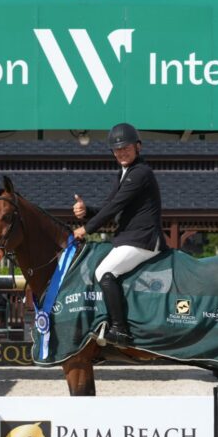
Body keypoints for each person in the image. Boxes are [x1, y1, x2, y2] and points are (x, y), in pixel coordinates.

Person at [72, 123, 166, 346]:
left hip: (143, 239)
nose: (121, 152)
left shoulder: (141, 173)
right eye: (117, 149)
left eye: (126, 148)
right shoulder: (124, 173)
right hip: (129, 237)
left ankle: (120, 330)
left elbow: (115, 207)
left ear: (138, 147)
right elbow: (109, 205)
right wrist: (87, 212)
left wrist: (86, 228)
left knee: (105, 271)